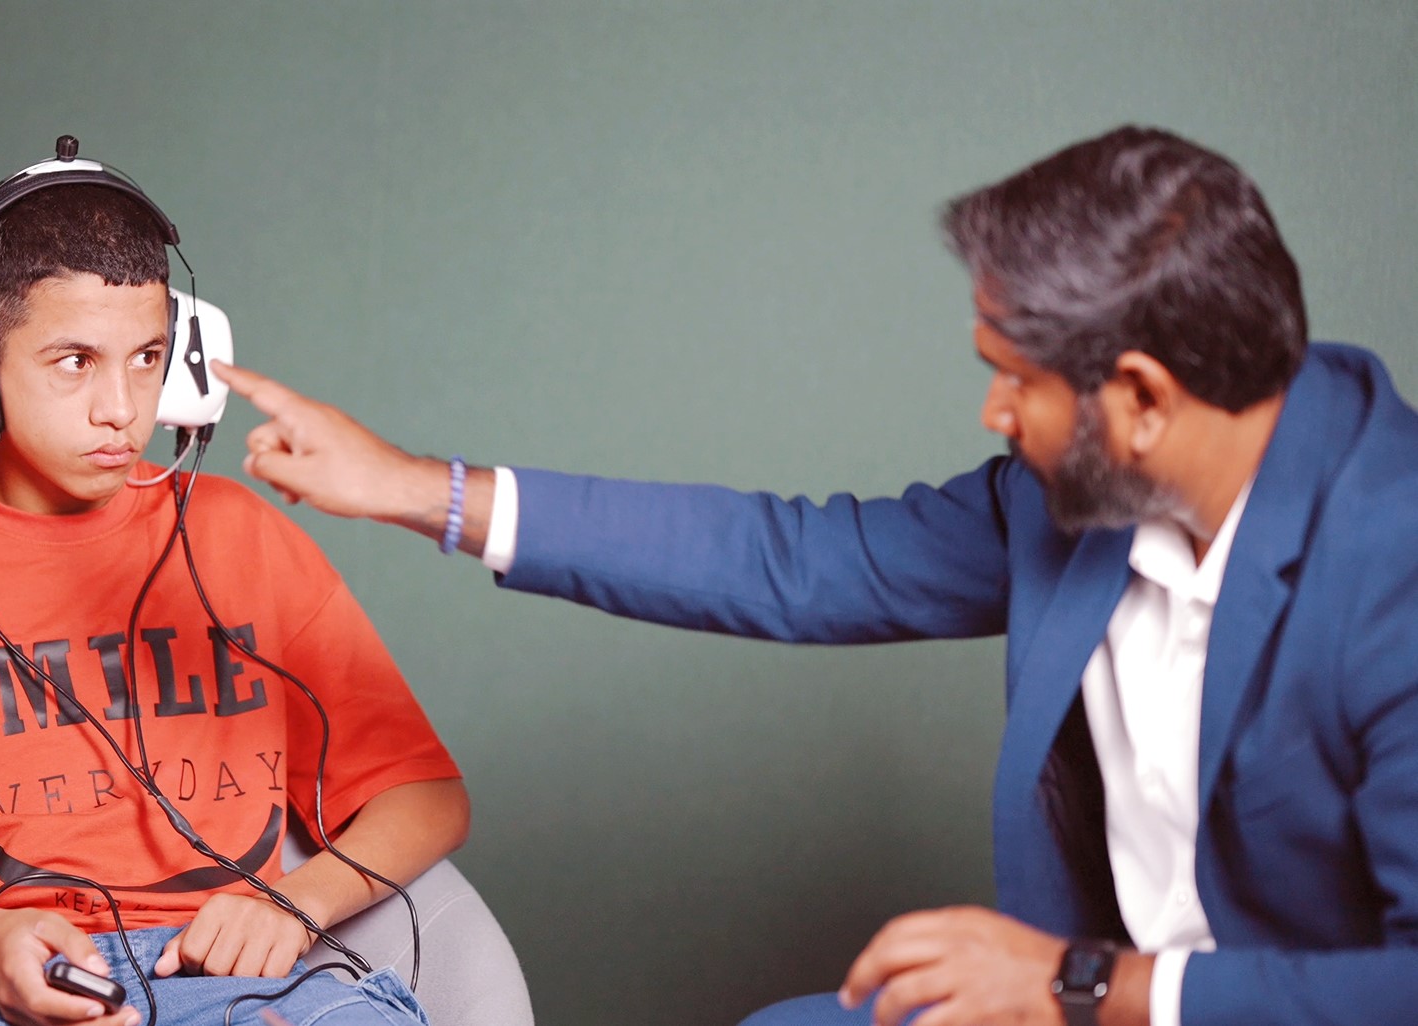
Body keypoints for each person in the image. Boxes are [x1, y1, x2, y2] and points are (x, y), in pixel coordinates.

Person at [207, 125, 1418, 1026]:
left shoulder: (1393, 564)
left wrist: (1080, 984)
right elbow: (791, 562)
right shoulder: (1074, 499)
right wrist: (414, 488)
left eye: (1015, 378)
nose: (992, 413)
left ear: (1142, 397)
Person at [0, 145, 469, 1026]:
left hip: (215, 973)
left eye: (147, 357)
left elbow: (425, 795)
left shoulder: (242, 537)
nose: (122, 408)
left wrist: (296, 903)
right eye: (74, 361)